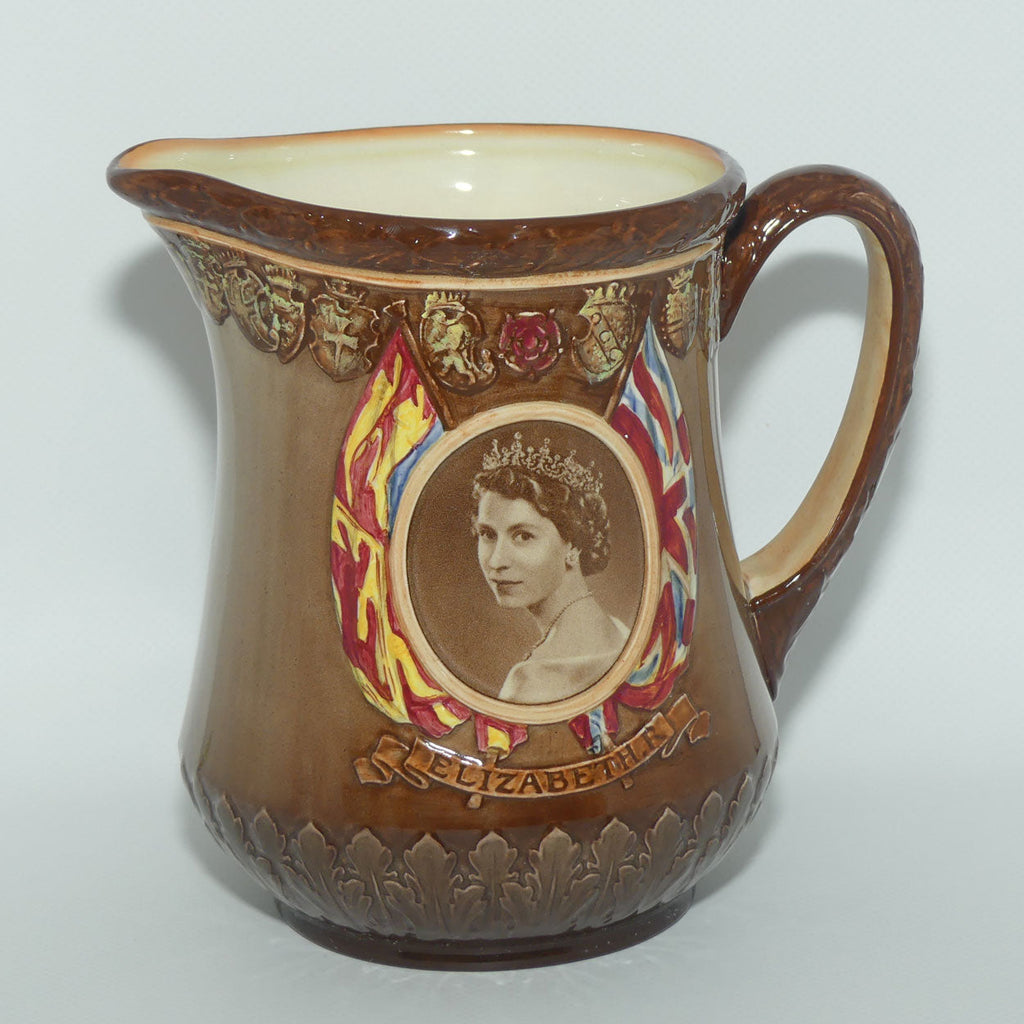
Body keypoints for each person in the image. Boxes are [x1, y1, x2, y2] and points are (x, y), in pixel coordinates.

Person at [471, 432, 628, 704]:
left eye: (523, 536)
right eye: (487, 534)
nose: (496, 561)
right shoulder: (619, 631)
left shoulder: (529, 683)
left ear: (574, 543)